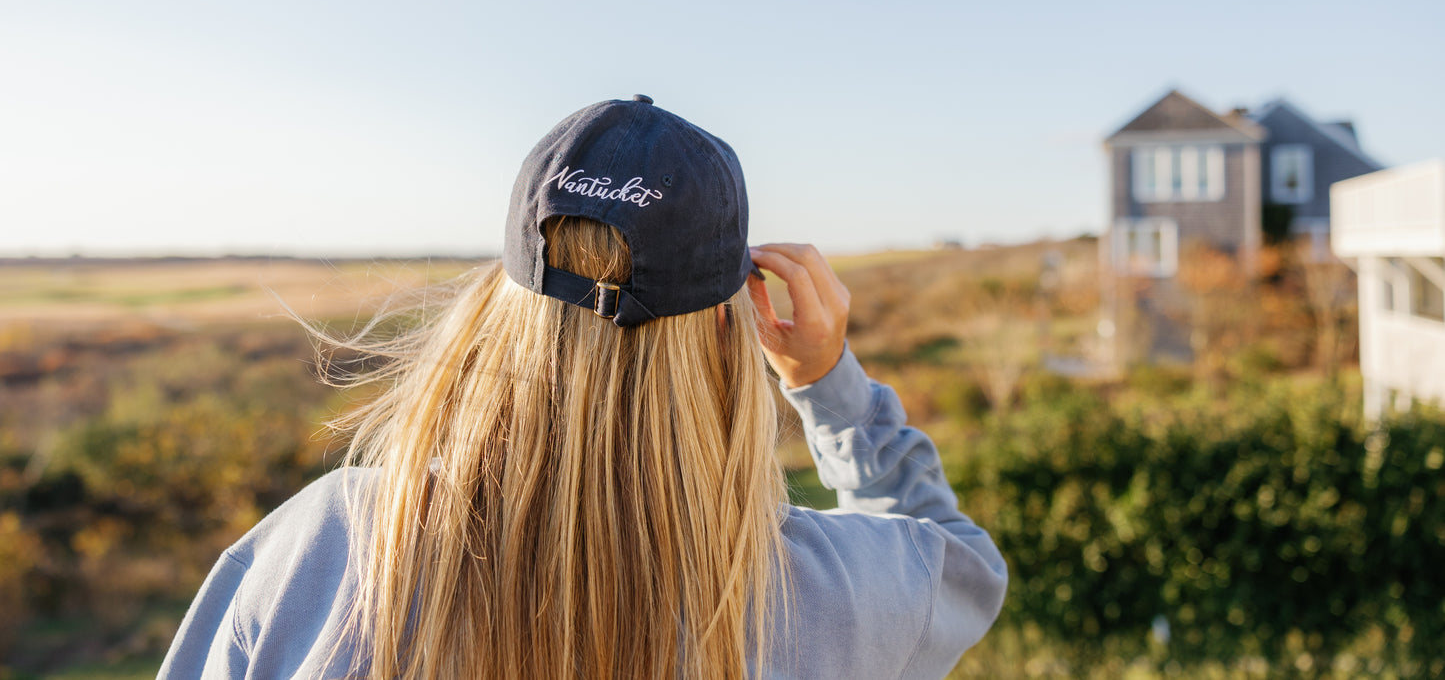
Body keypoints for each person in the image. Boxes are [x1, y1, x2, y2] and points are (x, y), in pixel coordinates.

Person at [158, 95, 1007, 680]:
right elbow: (960, 562)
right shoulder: (835, 594)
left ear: (496, 309)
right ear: (727, 329)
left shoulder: (331, 546)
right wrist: (829, 386)